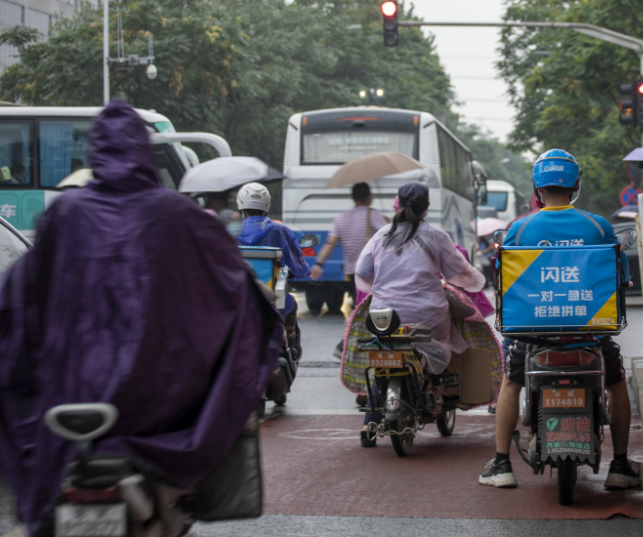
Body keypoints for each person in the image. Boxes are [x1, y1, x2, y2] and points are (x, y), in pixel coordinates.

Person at [0, 100, 283, 535]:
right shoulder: (178, 214)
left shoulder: (64, 212)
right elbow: (230, 286)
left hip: (70, 401)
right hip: (153, 409)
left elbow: (22, 298)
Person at [479, 148, 640, 491]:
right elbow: (621, 274)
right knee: (616, 383)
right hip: (590, 337)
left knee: (511, 382)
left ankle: (502, 464)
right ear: (575, 184)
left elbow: (501, 277)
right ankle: (621, 465)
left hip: (534, 337)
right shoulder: (598, 226)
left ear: (537, 187)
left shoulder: (519, 230)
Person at [353, 182, 485, 446]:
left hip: (383, 317)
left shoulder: (381, 235)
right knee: (442, 340)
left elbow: (362, 272)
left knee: (382, 354)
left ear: (398, 204)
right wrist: (474, 281)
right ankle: (434, 386)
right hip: (427, 314)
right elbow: (460, 272)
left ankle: (371, 415)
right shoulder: (436, 236)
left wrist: (382, 290)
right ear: (427, 207)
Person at [309, 182, 387, 356]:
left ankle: (355, 344)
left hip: (352, 273)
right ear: (369, 197)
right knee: (372, 309)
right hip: (371, 273)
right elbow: (389, 235)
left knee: (362, 308)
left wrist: (318, 264)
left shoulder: (342, 218)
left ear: (353, 198)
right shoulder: (372, 215)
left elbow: (330, 243)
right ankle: (346, 345)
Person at [237, 182, 309, 359]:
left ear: (240, 205)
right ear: (267, 205)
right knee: (289, 304)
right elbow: (299, 268)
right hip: (273, 301)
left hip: (237, 298)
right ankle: (290, 345)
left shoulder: (229, 230)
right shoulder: (280, 230)